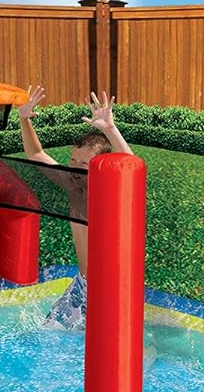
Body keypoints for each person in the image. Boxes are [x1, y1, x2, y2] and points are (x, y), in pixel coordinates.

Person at [17, 87, 133, 324]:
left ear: (100, 165)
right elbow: (36, 154)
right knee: (47, 331)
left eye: (83, 163)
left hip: (107, 288)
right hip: (83, 284)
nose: (75, 167)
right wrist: (24, 119)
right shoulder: (71, 183)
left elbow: (130, 166)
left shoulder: (110, 193)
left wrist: (110, 129)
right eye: (73, 160)